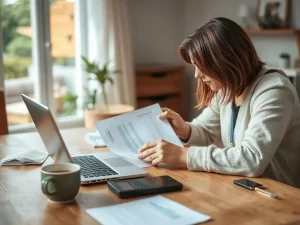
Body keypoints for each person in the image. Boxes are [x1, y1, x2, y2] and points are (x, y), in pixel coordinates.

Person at [138, 17, 300, 188]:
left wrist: (182, 155)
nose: (197, 75)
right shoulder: (227, 88)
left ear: (225, 60)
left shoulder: (274, 91)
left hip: (280, 196)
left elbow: (251, 159)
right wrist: (185, 129)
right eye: (194, 66)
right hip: (244, 188)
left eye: (201, 66)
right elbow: (207, 131)